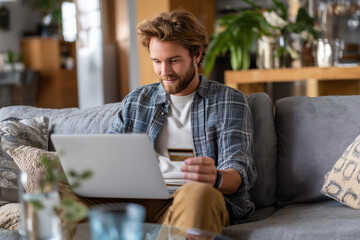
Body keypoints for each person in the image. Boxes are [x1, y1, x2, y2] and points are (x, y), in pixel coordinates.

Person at [107, 9, 256, 234]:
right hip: (138, 199)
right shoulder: (137, 101)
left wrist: (216, 177)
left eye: (174, 61)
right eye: (157, 61)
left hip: (192, 198)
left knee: (200, 193)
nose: (164, 71)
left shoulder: (228, 100)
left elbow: (239, 170)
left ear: (196, 56)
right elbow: (107, 155)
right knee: (58, 188)